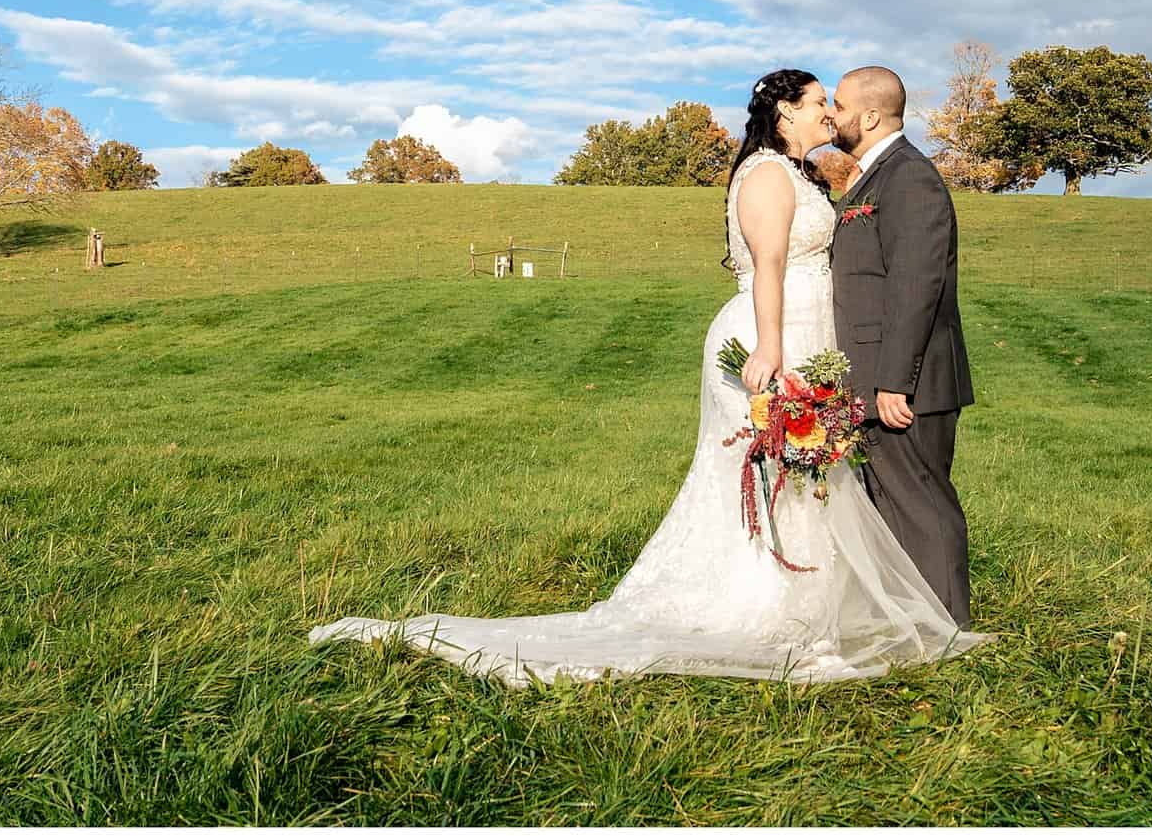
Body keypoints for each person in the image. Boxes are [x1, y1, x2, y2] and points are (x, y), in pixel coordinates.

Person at [308, 68, 988, 686]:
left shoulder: (813, 172)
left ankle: (825, 603)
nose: (828, 115)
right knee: (774, 476)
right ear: (783, 112)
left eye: (833, 105)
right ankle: (773, 608)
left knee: (805, 479)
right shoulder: (768, 175)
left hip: (812, 336)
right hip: (772, 337)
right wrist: (774, 347)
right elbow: (771, 264)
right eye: (817, 104)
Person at [825, 66, 975, 627]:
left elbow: (917, 283)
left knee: (922, 502)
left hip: (907, 382)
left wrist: (893, 380)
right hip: (876, 376)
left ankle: (949, 628)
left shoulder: (908, 177)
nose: (831, 116)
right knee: (891, 504)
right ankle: (913, 622)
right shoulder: (872, 176)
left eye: (838, 106)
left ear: (868, 115)